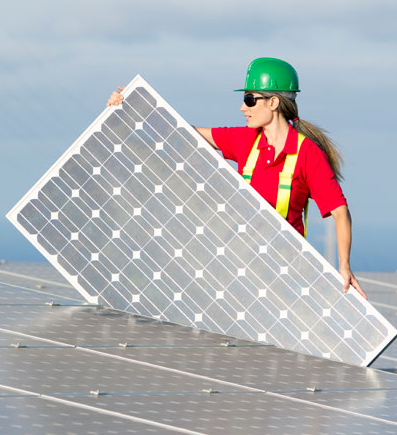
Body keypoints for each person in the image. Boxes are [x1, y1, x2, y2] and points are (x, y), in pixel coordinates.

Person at [107, 57, 366, 299]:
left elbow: (339, 211)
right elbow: (181, 133)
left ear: (273, 103)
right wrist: (132, 107)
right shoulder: (245, 141)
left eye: (250, 99)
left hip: (284, 278)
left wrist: (344, 265)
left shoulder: (307, 154)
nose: (243, 107)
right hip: (238, 274)